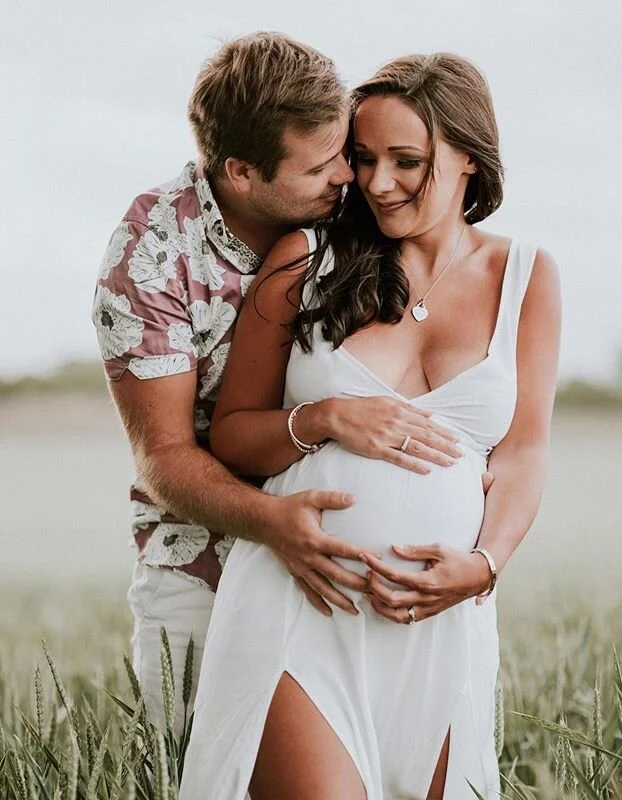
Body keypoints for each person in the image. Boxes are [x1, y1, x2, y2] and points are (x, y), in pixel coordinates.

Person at [179, 52, 561, 799]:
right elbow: (232, 435)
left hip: (439, 627)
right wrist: (323, 417)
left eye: (406, 161)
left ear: (470, 160)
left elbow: (523, 453)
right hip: (303, 610)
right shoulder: (306, 258)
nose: (377, 183)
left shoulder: (528, 277)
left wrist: (484, 565)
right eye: (363, 158)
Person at [92, 33, 462, 735]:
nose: (350, 178)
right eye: (323, 166)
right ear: (240, 173)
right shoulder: (150, 257)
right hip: (204, 564)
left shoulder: (362, 207)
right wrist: (272, 523)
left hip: (357, 576)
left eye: (344, 153)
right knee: (197, 764)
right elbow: (164, 455)